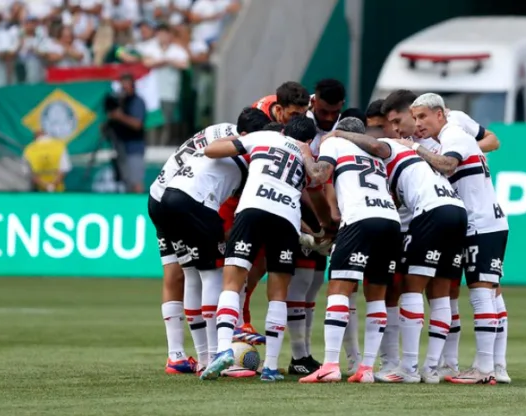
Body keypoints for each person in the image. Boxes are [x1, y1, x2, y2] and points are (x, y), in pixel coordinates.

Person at [377, 88, 505, 381]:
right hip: (465, 219)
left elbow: (477, 148)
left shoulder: (455, 130)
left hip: (477, 221)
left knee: (482, 293)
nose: (414, 124)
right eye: (414, 118)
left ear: (439, 114)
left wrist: (415, 149)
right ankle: (461, 365)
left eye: (419, 117)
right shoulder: (439, 139)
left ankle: (485, 367)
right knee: (459, 293)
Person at [328, 124, 467, 384]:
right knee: (442, 293)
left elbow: (378, 147)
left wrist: (338, 134)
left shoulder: (387, 147)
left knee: (412, 287)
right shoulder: (416, 156)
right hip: (457, 210)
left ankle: (409, 368)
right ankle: (432, 368)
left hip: (430, 211)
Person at [147, 107, 270, 375]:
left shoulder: (219, 132)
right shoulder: (250, 156)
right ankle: (218, 357)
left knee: (189, 274)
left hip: (163, 196)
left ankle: (190, 357)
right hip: (195, 202)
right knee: (214, 273)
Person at [200, 115, 318, 382]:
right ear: (309, 140)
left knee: (232, 282)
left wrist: (240, 139)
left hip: (253, 209)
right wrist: (319, 231)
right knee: (278, 293)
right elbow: (304, 199)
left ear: (284, 130)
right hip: (287, 218)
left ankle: (221, 351)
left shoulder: (264, 137)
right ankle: (271, 367)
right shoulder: (304, 155)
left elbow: (211, 150)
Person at [296, 117, 400, 383]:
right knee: (376, 295)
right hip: (390, 221)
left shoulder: (337, 143)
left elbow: (319, 174)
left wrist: (306, 154)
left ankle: (331, 363)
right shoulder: (376, 156)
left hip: (359, 218)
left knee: (339, 289)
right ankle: (366, 369)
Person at [105, 73, 147, 193]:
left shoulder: (137, 101)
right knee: (126, 181)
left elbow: (137, 124)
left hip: (134, 146)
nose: (124, 87)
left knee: (136, 181)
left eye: (126, 84)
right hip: (121, 146)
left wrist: (120, 116)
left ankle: (139, 207)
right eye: (122, 84)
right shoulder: (120, 101)